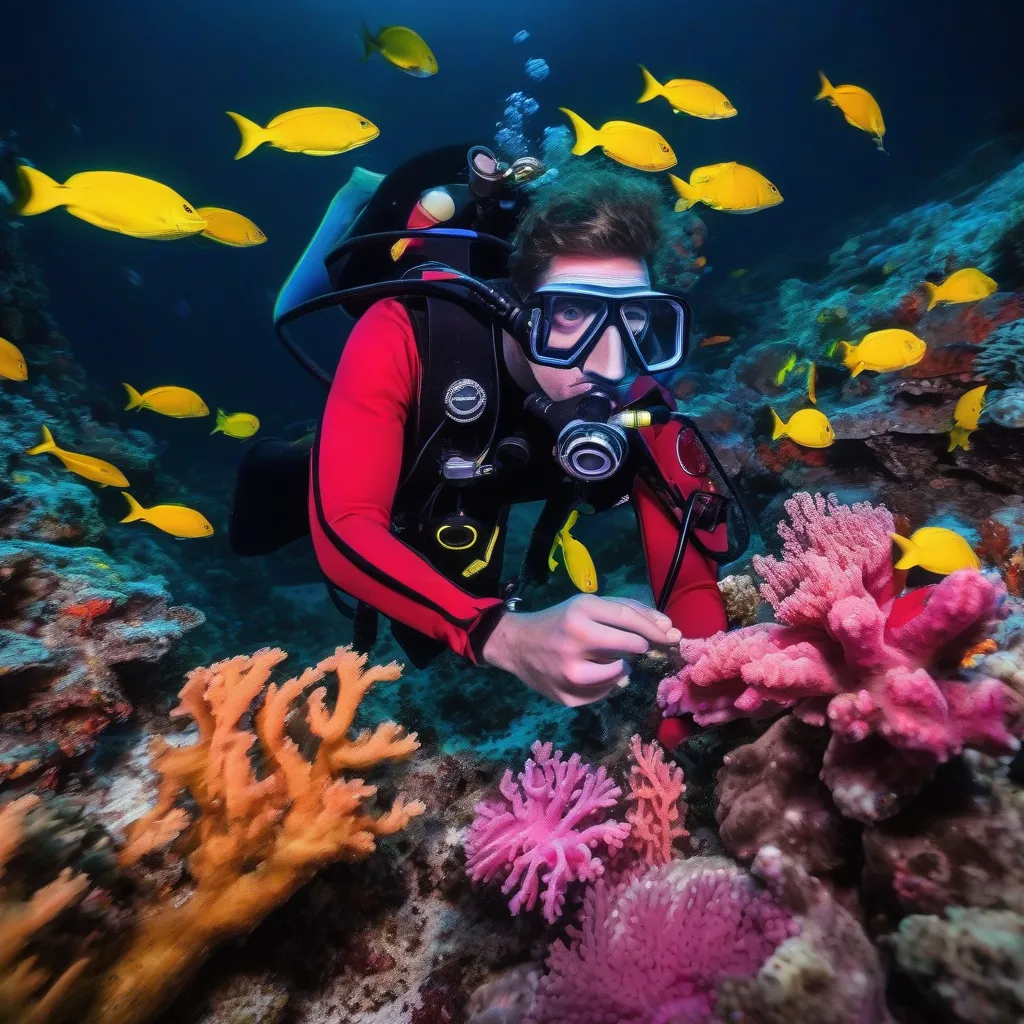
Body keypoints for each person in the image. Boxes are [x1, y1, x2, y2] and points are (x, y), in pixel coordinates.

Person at [306, 154, 735, 711]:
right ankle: (346, 206)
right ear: (520, 310)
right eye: (572, 314)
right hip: (404, 461)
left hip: (480, 489)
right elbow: (344, 526)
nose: (608, 363)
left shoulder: (639, 401)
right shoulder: (401, 329)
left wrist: (705, 691)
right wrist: (500, 636)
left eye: (632, 318)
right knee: (266, 509)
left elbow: (691, 585)